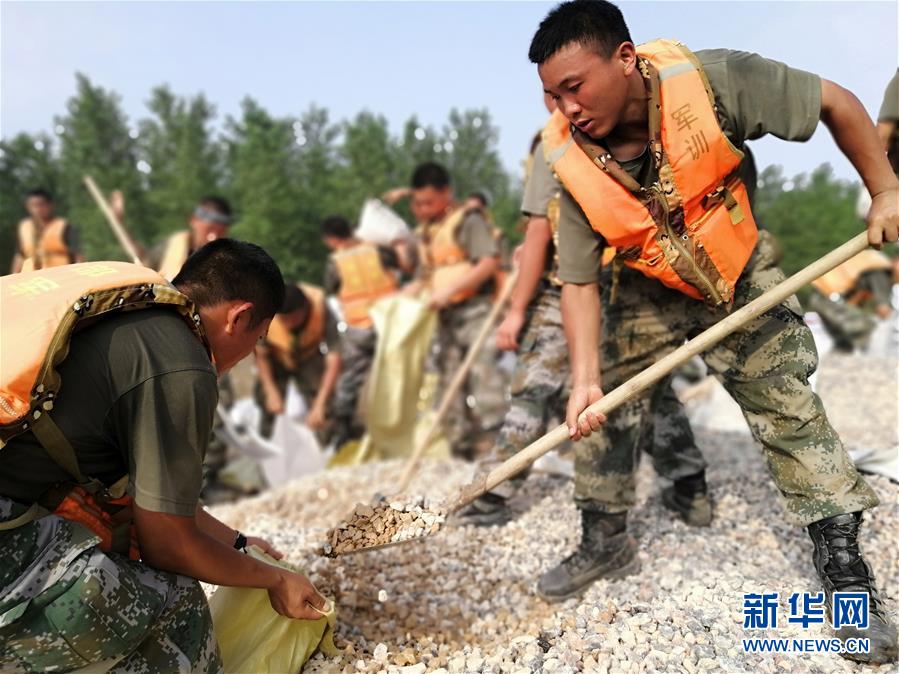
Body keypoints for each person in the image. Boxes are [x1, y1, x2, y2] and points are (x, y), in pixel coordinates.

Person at [526, 1, 897, 661]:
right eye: (553, 95)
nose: (567, 108)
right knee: (601, 407)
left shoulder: (715, 81)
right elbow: (578, 280)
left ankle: (846, 576)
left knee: (787, 407)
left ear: (624, 58)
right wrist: (583, 381)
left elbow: (835, 102)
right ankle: (603, 538)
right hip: (646, 284)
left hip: (735, 267)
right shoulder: (563, 156)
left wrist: (884, 190)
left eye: (574, 87)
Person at [0, 240, 326, 672]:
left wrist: (238, 544)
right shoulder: (182, 366)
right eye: (258, 338)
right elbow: (168, 544)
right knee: (175, 604)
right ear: (239, 317)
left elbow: (158, 500)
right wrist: (277, 579)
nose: (252, 351)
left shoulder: (131, 307)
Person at [458, 96, 710, 528]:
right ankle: (690, 486)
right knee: (640, 386)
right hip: (627, 281)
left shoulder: (553, 145)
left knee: (536, 387)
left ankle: (491, 494)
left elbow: (540, 230)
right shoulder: (638, 123)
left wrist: (516, 311)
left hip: (580, 286)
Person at [396, 162, 508, 460]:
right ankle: (460, 447)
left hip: (474, 312)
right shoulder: (427, 232)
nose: (423, 209)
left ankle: (498, 445)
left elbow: (488, 263)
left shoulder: (468, 221)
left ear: (446, 193)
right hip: (444, 319)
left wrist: (450, 290)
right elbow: (424, 276)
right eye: (418, 203)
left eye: (429, 202)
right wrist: (404, 296)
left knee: (484, 375)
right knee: (448, 383)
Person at [321, 215, 400, 449]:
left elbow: (331, 287)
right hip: (390, 321)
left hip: (359, 326)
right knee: (397, 371)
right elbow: (398, 266)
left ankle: (344, 428)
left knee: (352, 378)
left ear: (331, 239)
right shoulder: (377, 250)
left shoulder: (335, 261)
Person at [255, 282, 342, 445]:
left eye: (293, 318)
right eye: (283, 319)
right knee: (267, 401)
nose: (288, 324)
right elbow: (261, 355)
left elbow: (334, 357)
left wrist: (320, 403)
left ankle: (325, 444)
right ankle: (268, 444)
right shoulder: (265, 313)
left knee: (325, 404)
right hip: (277, 356)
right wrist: (271, 391)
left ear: (305, 309)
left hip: (309, 355)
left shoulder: (321, 307)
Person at [148, 195, 234, 281]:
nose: (213, 237)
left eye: (221, 232)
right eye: (209, 229)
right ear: (193, 220)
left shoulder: (230, 260)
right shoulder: (165, 250)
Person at [10, 188, 83, 274]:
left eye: (41, 205)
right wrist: (13, 276)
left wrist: (79, 275)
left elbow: (77, 254)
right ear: (28, 207)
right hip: (30, 278)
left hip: (60, 276)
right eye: (33, 205)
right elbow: (19, 255)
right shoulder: (24, 227)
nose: (37, 209)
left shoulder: (64, 227)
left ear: (50, 205)